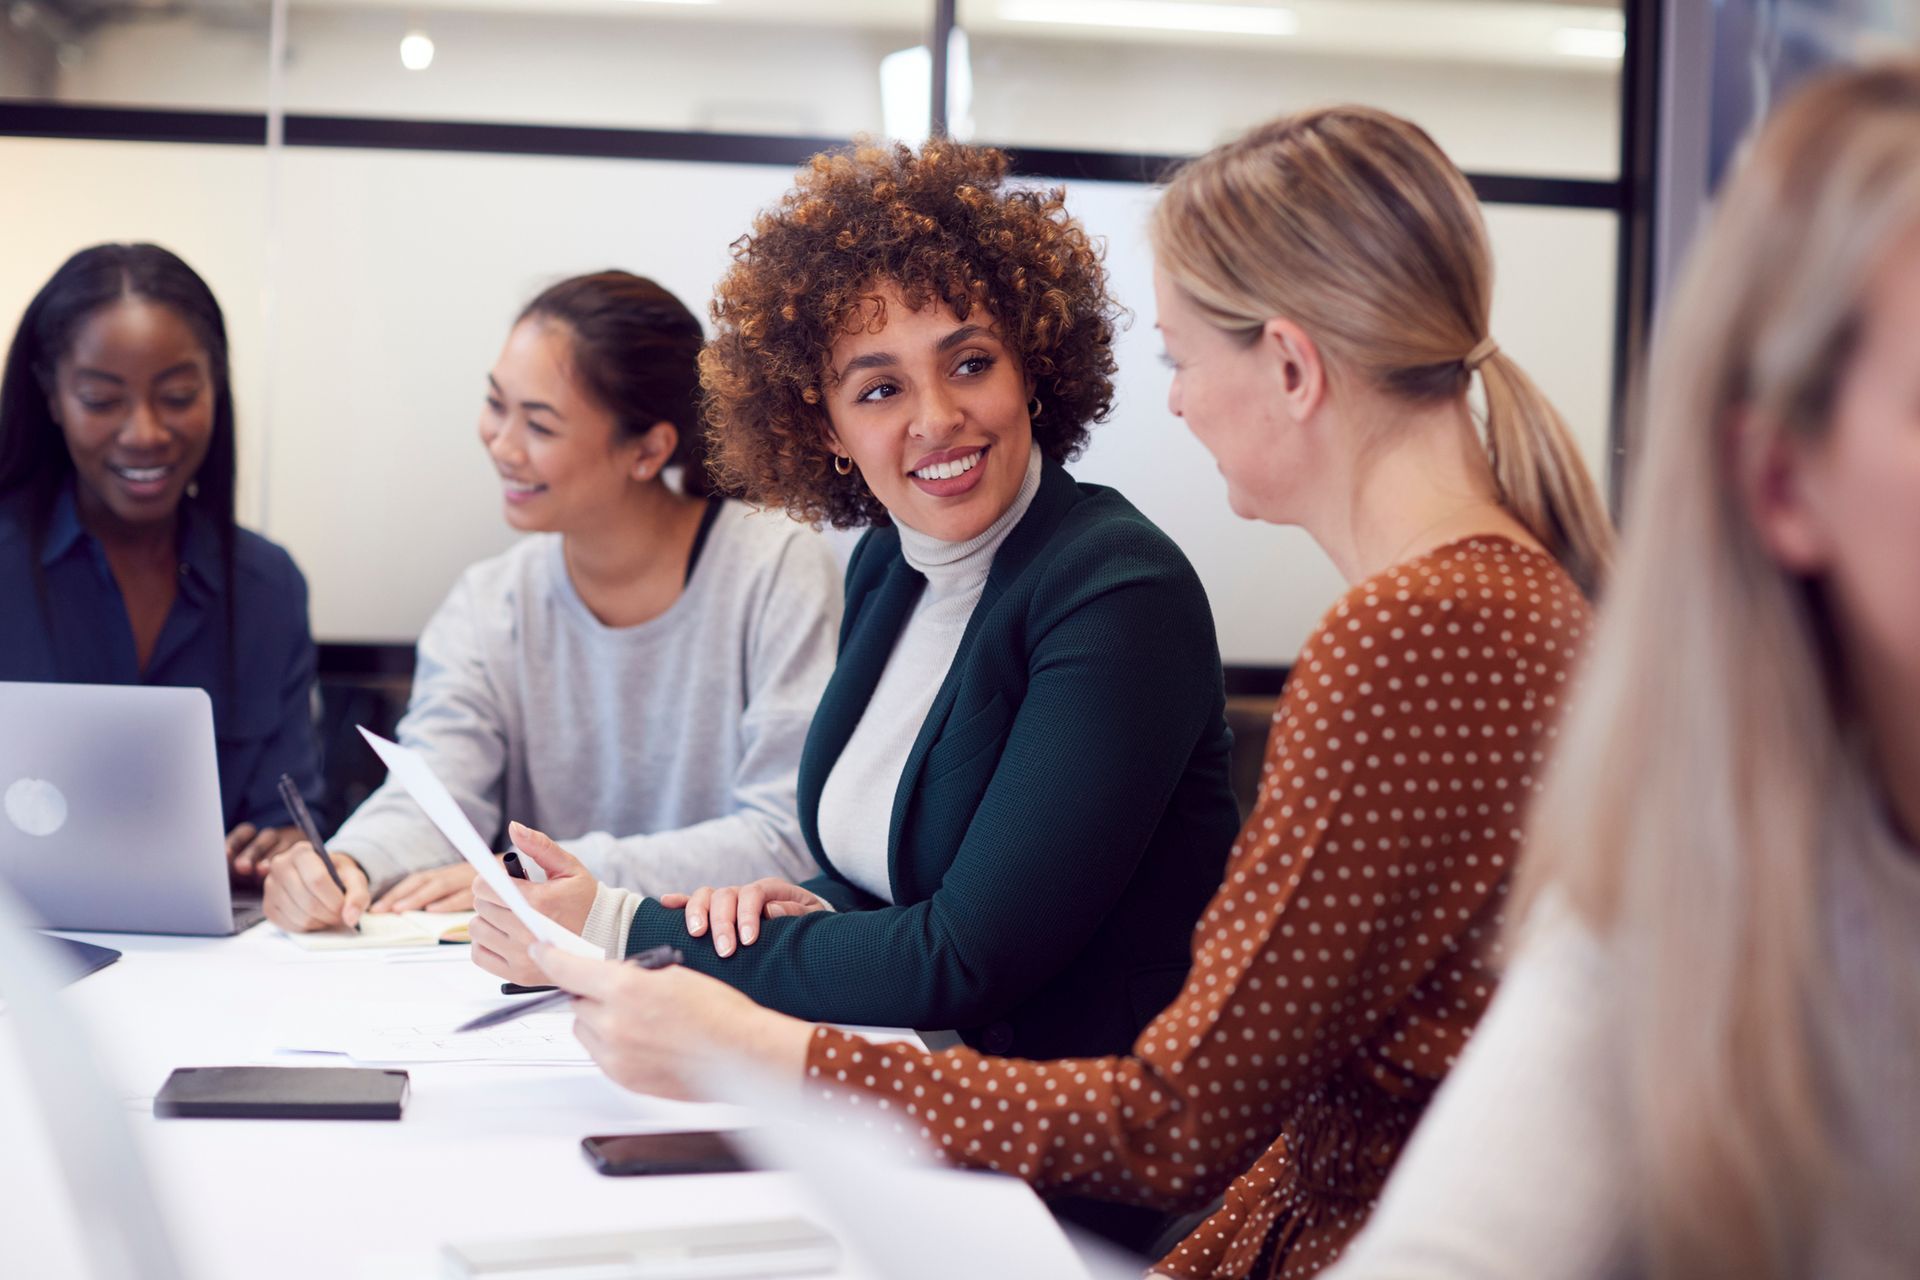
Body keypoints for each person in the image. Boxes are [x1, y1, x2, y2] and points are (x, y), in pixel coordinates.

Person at [499, 107, 1612, 1278]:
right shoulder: (1481, 606)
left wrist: (759, 1042)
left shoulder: (1408, 634)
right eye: (877, 388)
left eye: (1182, 359)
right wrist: (789, 929)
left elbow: (1169, 1120)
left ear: (1288, 364)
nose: (1174, 402)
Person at [1322, 63, 1920, 1280]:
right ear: (1782, 486)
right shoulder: (1695, 914)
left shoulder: (1427, 616)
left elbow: (1185, 1096)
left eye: (1181, 353)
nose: (1174, 400)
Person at [470, 140, 1244, 1077]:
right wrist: (792, 906)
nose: (935, 418)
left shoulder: (1116, 593)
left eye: (969, 363)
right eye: (879, 388)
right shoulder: (889, 562)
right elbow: (892, 872)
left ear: (1032, 367)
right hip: (897, 1082)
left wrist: (624, 924)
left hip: (1069, 1143)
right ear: (827, 427)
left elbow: (963, 956)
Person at [263, 272, 839, 932]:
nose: (502, 445)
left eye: (538, 423)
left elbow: (784, 834)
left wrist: (547, 875)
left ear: (649, 449)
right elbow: (436, 790)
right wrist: (348, 864)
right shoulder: (489, 602)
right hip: (539, 972)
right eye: (495, 404)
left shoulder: (776, 568)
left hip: (717, 964)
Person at [0, 243, 322, 871]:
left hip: (215, 957)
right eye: (101, 400)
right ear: (51, 395)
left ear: (215, 388)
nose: (145, 432)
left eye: (177, 396)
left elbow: (292, 816)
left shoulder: (267, 586)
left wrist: (289, 852)